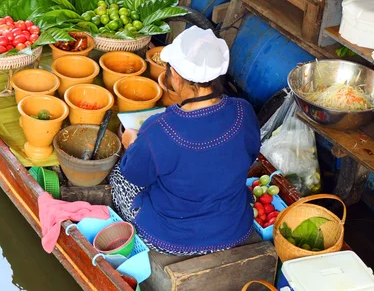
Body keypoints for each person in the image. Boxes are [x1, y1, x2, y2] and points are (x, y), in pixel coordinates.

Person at [109, 26, 261, 256]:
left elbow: (134, 174)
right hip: (233, 230)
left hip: (170, 239)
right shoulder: (243, 111)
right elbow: (250, 154)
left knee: (119, 176)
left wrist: (131, 142)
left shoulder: (159, 129)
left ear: (176, 79)